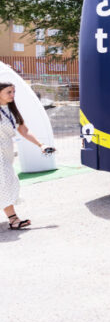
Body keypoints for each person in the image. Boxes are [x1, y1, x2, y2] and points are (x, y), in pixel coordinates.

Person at [0, 82, 54, 229]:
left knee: (7, 181)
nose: (12, 95)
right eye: (8, 92)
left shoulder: (11, 110)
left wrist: (41, 145)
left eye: (13, 92)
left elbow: (24, 130)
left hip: (7, 151)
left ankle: (13, 219)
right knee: (4, 182)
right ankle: (13, 219)